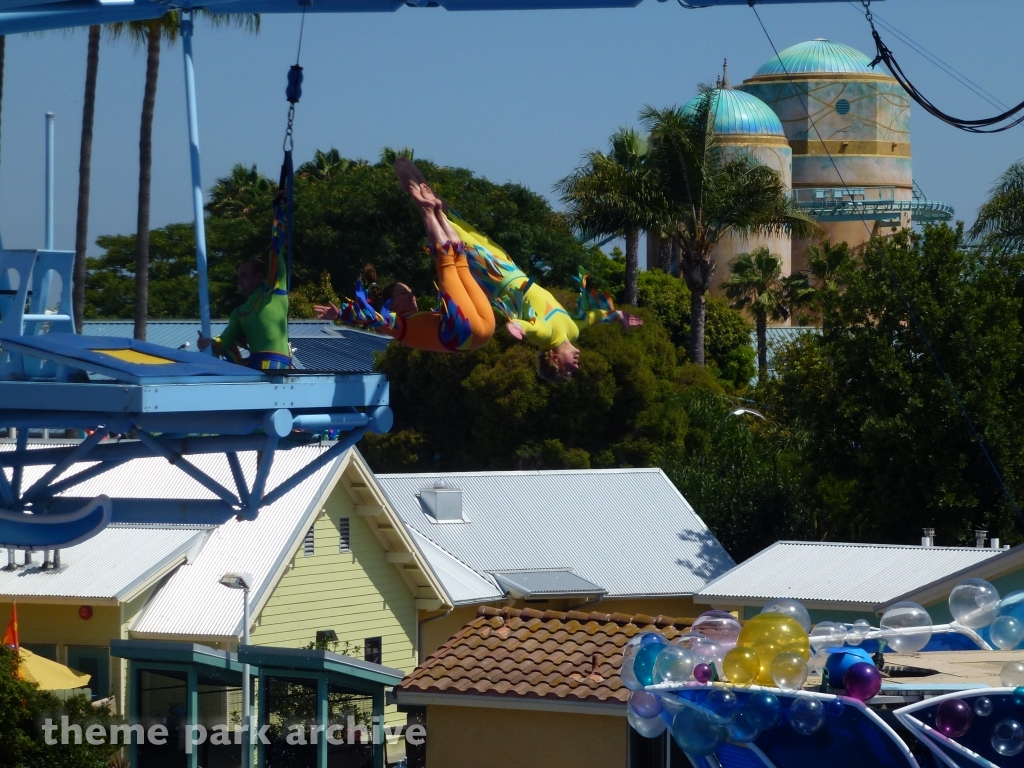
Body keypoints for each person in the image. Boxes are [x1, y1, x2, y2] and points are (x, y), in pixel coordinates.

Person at [314, 180, 495, 353]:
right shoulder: (396, 325)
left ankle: (437, 211)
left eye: (409, 292)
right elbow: (370, 318)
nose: (411, 296)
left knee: (460, 258)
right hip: (463, 333)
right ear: (391, 304)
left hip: (482, 329)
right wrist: (340, 315)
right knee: (446, 258)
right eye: (403, 293)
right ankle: (426, 210)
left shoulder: (422, 317)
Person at [198, 253, 291, 370]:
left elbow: (278, 258)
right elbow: (224, 341)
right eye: (238, 277)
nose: (239, 281)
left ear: (259, 277)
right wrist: (208, 344)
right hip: (255, 367)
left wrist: (277, 238)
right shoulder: (239, 312)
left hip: (278, 365)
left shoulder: (274, 294)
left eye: (243, 275)